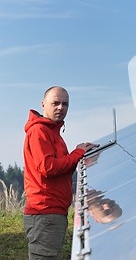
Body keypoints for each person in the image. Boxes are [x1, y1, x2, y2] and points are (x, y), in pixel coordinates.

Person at [23, 86, 98, 260]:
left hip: (51, 213)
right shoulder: (39, 131)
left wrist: (81, 157)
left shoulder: (52, 132)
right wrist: (76, 153)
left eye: (65, 104)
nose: (60, 108)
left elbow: (59, 170)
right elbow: (48, 168)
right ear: (43, 104)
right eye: (55, 103)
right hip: (44, 213)